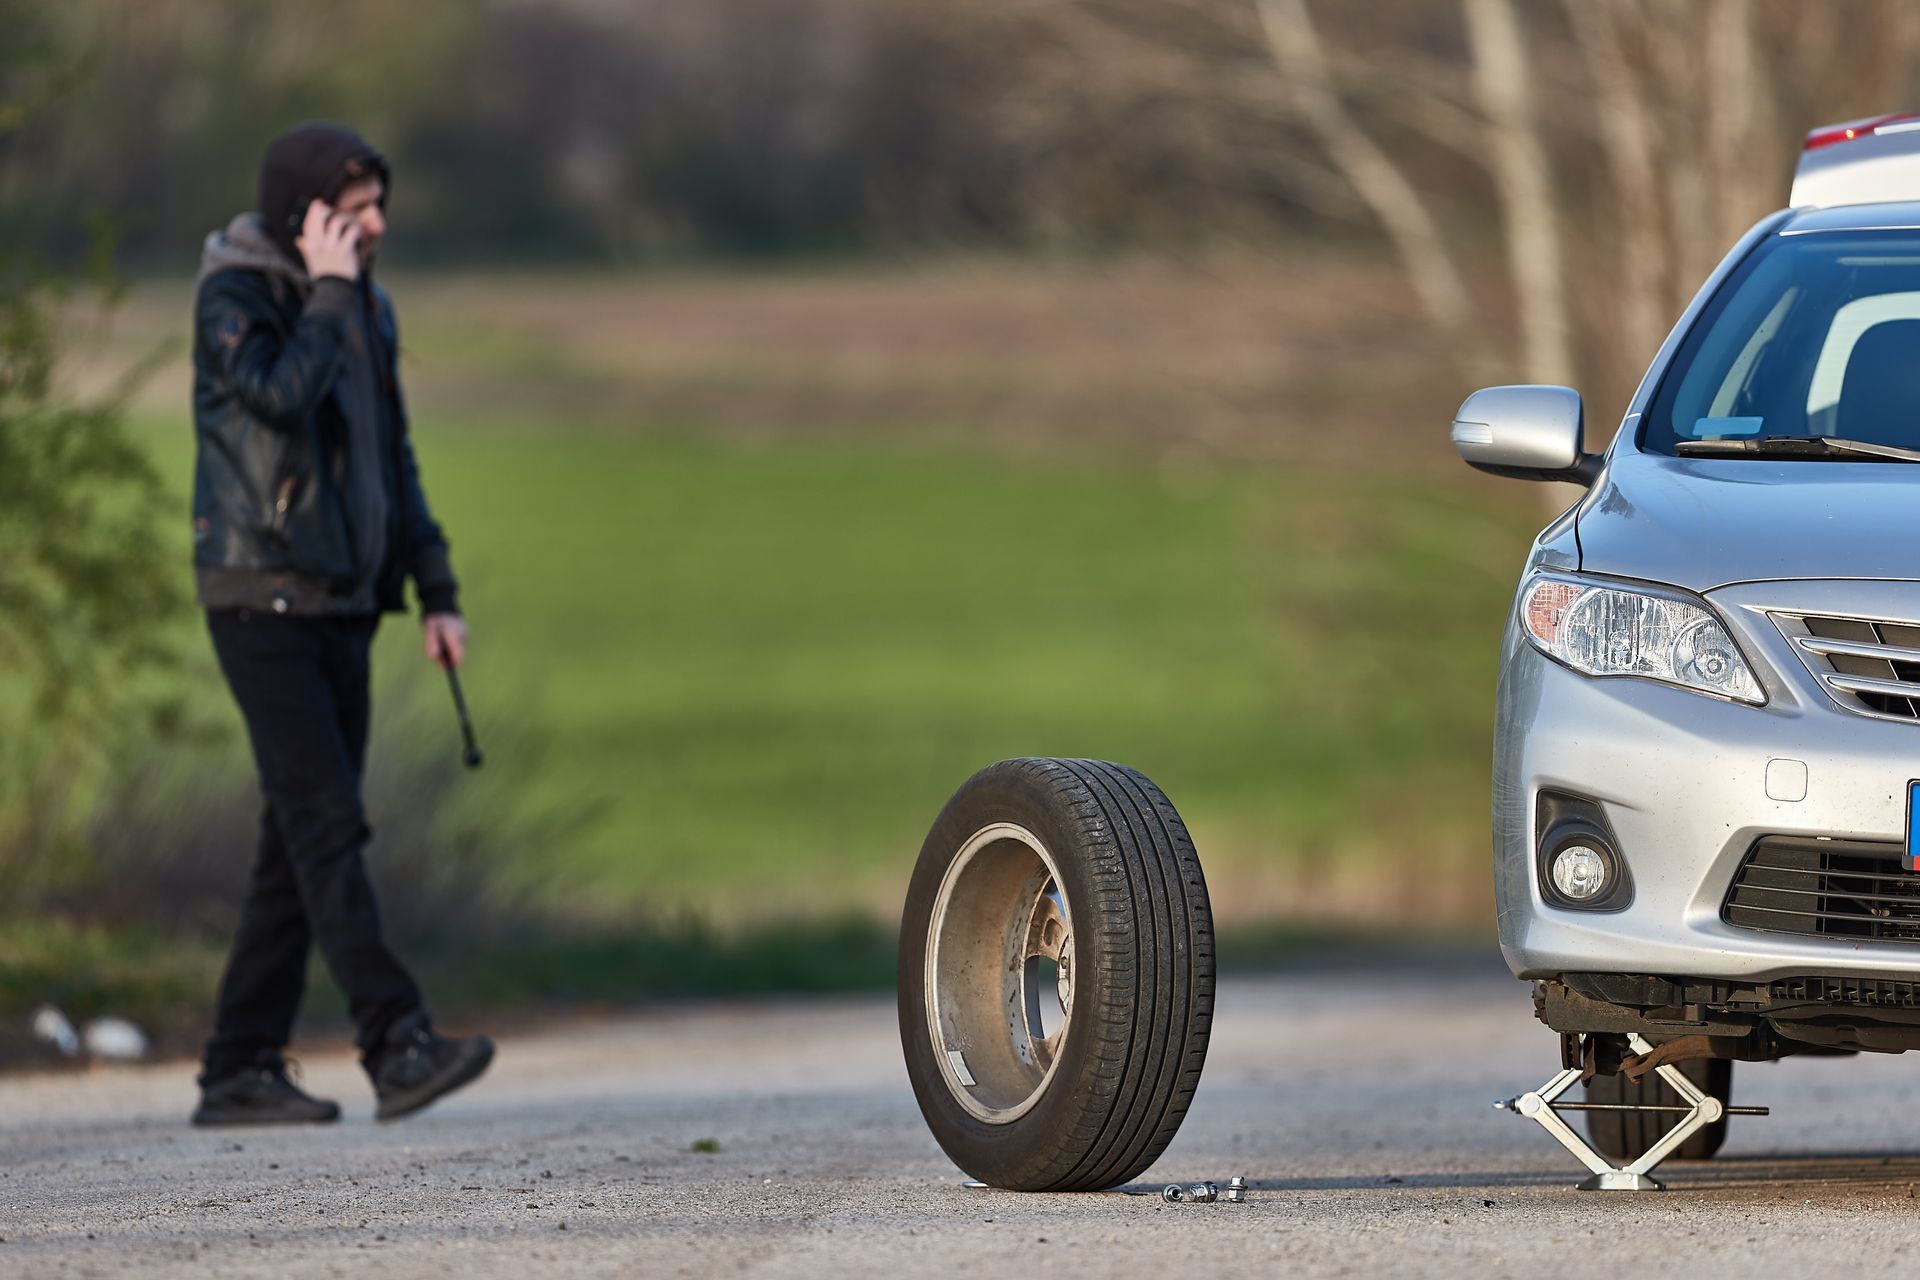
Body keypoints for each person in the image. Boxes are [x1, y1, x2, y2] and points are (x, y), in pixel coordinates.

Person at [187, 122, 492, 1125]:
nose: (378, 225)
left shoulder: (366, 307)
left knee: (295, 835)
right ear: (305, 215)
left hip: (346, 603)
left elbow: (389, 460)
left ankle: (237, 1063)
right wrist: (324, 292)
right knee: (325, 823)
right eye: (356, 209)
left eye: (376, 205)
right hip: (259, 596)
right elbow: (277, 398)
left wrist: (435, 588)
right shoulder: (238, 295)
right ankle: (393, 1038)